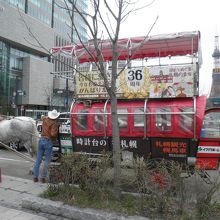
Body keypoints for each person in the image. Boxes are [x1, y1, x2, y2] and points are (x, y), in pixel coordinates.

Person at [33, 109, 60, 183]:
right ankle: (43, 178)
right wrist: (57, 128)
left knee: (38, 160)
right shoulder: (54, 123)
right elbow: (53, 134)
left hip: (41, 140)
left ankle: (35, 177)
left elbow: (42, 116)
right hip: (48, 141)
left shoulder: (45, 119)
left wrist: (43, 116)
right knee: (47, 161)